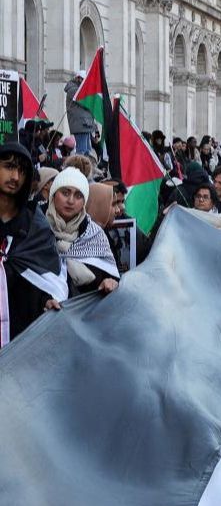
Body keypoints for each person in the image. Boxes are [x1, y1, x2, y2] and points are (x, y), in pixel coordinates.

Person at [0, 141, 67, 345]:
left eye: (22, 170)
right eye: (9, 167)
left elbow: (43, 276)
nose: (15, 177)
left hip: (21, 337)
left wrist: (45, 300)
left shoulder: (34, 226)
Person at [45, 168, 119, 297]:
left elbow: (110, 276)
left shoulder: (95, 235)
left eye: (78, 195)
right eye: (65, 193)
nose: (71, 201)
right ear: (53, 194)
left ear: (84, 202)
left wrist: (110, 282)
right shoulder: (35, 228)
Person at [64, 71, 96, 157]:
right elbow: (86, 103)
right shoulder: (73, 90)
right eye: (83, 80)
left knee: (87, 152)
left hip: (85, 124)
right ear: (78, 78)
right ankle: (80, 168)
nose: (85, 83)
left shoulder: (79, 89)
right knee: (82, 152)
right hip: (80, 124)